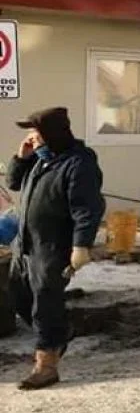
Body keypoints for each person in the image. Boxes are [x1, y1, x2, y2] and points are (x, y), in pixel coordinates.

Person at [6, 107, 104, 390]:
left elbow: (87, 208)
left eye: (37, 135)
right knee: (17, 296)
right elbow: (13, 183)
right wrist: (20, 158)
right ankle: (60, 333)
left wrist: (81, 246)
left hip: (52, 247)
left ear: (53, 134)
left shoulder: (78, 164)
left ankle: (46, 365)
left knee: (45, 305)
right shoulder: (40, 160)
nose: (32, 139)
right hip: (26, 244)